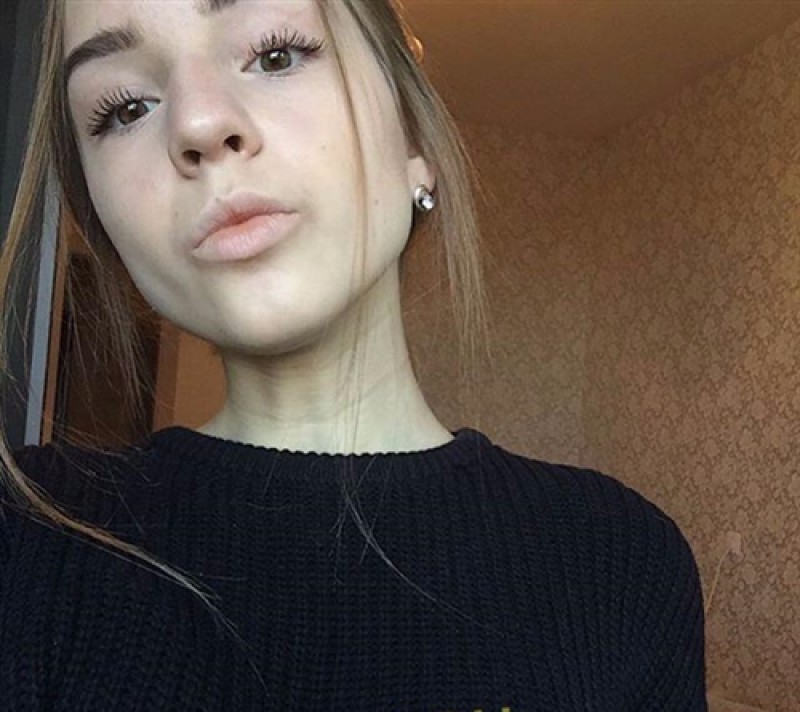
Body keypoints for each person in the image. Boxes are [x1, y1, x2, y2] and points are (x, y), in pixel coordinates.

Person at [0, 0, 707, 709]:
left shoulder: (622, 562)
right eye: (124, 109)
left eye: (275, 54)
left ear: (413, 141)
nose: (200, 123)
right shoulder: (24, 538)